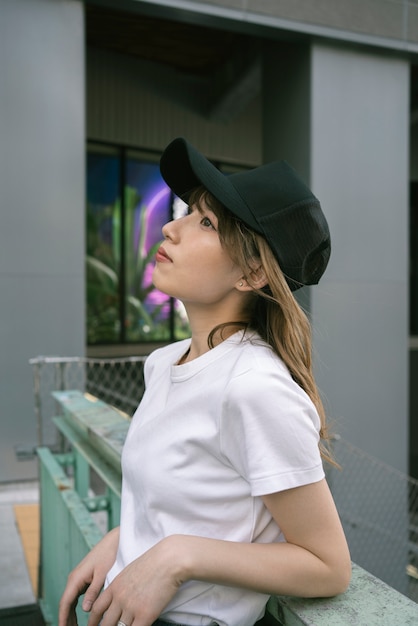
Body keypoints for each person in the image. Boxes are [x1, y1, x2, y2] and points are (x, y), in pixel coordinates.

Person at [59, 137, 351, 626]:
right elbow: (193, 498)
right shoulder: (165, 362)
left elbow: (328, 566)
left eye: (207, 222)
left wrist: (175, 557)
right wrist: (126, 542)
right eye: (188, 213)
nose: (171, 228)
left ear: (253, 271)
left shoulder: (254, 387)